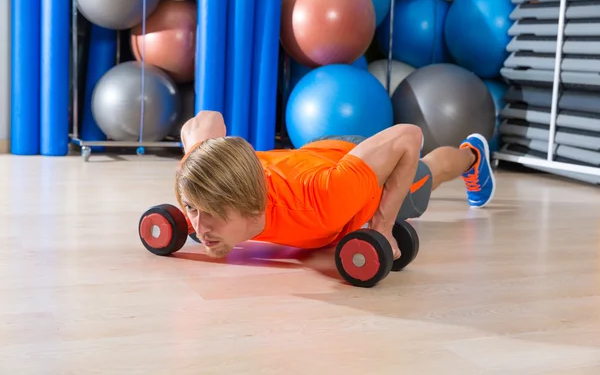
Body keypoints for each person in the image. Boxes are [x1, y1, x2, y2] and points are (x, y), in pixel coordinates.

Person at [175, 111, 495, 259]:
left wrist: (382, 227)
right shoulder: (205, 174)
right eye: (192, 209)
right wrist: (197, 156)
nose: (197, 226)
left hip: (358, 178)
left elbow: (408, 135)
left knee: (431, 172)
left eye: (213, 213)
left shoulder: (323, 203)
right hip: (318, 156)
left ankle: (472, 156)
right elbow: (207, 117)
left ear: (249, 203)